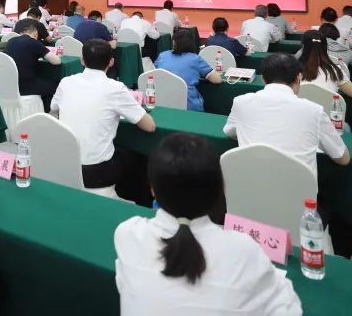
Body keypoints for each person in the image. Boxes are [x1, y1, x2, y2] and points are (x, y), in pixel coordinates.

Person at [115, 133, 302, 316]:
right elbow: (289, 309)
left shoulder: (129, 235)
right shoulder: (244, 251)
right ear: (220, 190)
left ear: (153, 190)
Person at [52, 39, 155, 199]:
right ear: (111, 62)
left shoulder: (66, 82)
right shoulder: (115, 88)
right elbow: (150, 126)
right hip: (96, 172)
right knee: (138, 156)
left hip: (65, 165)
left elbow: (53, 107)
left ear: (82, 60)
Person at [223, 53, 349, 177]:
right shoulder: (315, 111)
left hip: (248, 183)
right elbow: (342, 158)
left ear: (263, 79)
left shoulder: (241, 102)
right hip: (299, 188)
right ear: (298, 79)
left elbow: (230, 132)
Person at [155, 30, 222, 111]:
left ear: (174, 42)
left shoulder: (162, 56)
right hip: (189, 106)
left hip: (162, 103)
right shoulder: (195, 59)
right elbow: (217, 80)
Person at [5, 22, 61, 110]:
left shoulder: (11, 41)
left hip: (10, 84)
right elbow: (57, 61)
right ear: (35, 34)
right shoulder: (34, 43)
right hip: (26, 85)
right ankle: (45, 112)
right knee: (54, 87)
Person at [298, 30, 352, 99]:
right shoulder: (335, 70)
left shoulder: (292, 69)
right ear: (326, 48)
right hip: (327, 106)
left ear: (303, 46)